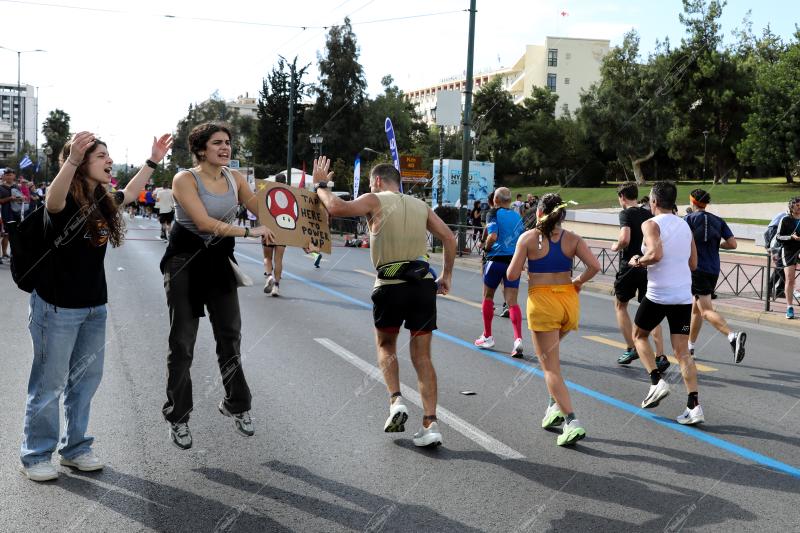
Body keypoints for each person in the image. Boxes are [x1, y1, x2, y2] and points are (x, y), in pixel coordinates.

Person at [19, 131, 173, 482]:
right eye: (100, 155)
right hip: (56, 308)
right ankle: (35, 455)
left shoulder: (102, 200)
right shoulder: (63, 201)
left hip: (94, 308)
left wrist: (152, 160)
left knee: (84, 383)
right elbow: (52, 203)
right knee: (48, 384)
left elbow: (131, 193)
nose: (108, 161)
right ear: (80, 162)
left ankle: (75, 450)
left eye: (108, 155)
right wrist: (72, 158)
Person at [312, 157, 456, 448]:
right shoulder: (420, 206)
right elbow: (449, 238)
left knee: (386, 345)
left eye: (369, 184)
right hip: (422, 286)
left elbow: (337, 208)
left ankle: (396, 400)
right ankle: (431, 423)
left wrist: (321, 186)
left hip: (389, 285)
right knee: (423, 356)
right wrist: (447, 276)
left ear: (377, 181)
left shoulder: (374, 199)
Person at [161, 122, 274, 450]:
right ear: (200, 149)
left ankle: (237, 404)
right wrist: (247, 233)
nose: (225, 148)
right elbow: (203, 223)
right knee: (182, 343)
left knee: (230, 336)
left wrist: (303, 222)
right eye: (217, 143)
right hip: (184, 262)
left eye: (228, 142)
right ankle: (178, 415)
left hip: (219, 262)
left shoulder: (235, 179)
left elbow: (264, 211)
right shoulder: (185, 179)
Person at [507, 193, 600, 446]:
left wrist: (526, 265)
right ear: (562, 215)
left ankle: (571, 421)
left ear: (539, 212)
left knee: (550, 368)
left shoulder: (528, 239)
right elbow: (595, 266)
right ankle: (553, 407)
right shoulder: (572, 239)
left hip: (543, 303)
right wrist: (578, 282)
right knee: (552, 358)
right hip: (568, 302)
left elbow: (512, 273)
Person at [628, 181, 703, 425]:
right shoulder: (685, 225)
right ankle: (694, 406)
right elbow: (693, 264)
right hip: (683, 295)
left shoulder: (650, 224)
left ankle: (656, 381)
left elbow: (656, 254)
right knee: (682, 352)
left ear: (655, 202)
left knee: (638, 335)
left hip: (659, 293)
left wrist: (638, 261)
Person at [610, 182, 669, 372]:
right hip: (647, 265)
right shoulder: (647, 214)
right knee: (650, 311)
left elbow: (624, 239)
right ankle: (660, 355)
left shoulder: (625, 213)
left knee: (620, 305)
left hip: (629, 265)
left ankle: (631, 348)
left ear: (622, 197)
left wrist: (615, 246)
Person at [685, 189, 746, 362]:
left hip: (697, 268)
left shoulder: (688, 219)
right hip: (713, 269)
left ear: (693, 201)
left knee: (705, 311)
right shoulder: (718, 221)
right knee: (695, 309)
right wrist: (718, 245)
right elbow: (733, 244)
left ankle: (732, 336)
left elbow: (681, 240)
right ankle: (690, 346)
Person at [474, 187, 525, 356]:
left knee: (488, 297)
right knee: (512, 302)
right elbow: (522, 239)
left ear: (496, 199)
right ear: (509, 200)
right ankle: (518, 340)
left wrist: (486, 247)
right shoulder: (518, 216)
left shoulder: (492, 213)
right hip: (513, 262)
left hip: (495, 260)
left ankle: (487, 336)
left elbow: (493, 236)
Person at [263, 173, 288, 297]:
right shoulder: (290, 194)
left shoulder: (268, 191)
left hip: (269, 229)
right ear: (285, 181)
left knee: (267, 258)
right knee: (279, 260)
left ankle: (269, 276)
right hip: (283, 230)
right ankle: (276, 287)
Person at [777, 197, 800, 319]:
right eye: (796, 205)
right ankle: (789, 307)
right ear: (791, 206)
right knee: (790, 279)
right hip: (789, 251)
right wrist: (791, 237)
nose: (798, 207)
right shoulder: (785, 220)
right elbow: (778, 237)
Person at [0, 168, 23, 259]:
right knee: (6, 233)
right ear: (4, 176)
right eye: (7, 175)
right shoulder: (1, 187)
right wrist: (9, 198)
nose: (9, 176)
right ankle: (4, 253)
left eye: (11, 175)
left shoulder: (17, 187)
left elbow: (20, 198)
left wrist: (21, 199)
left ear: (14, 176)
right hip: (6, 213)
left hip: (16, 213)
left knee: (14, 234)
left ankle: (13, 253)